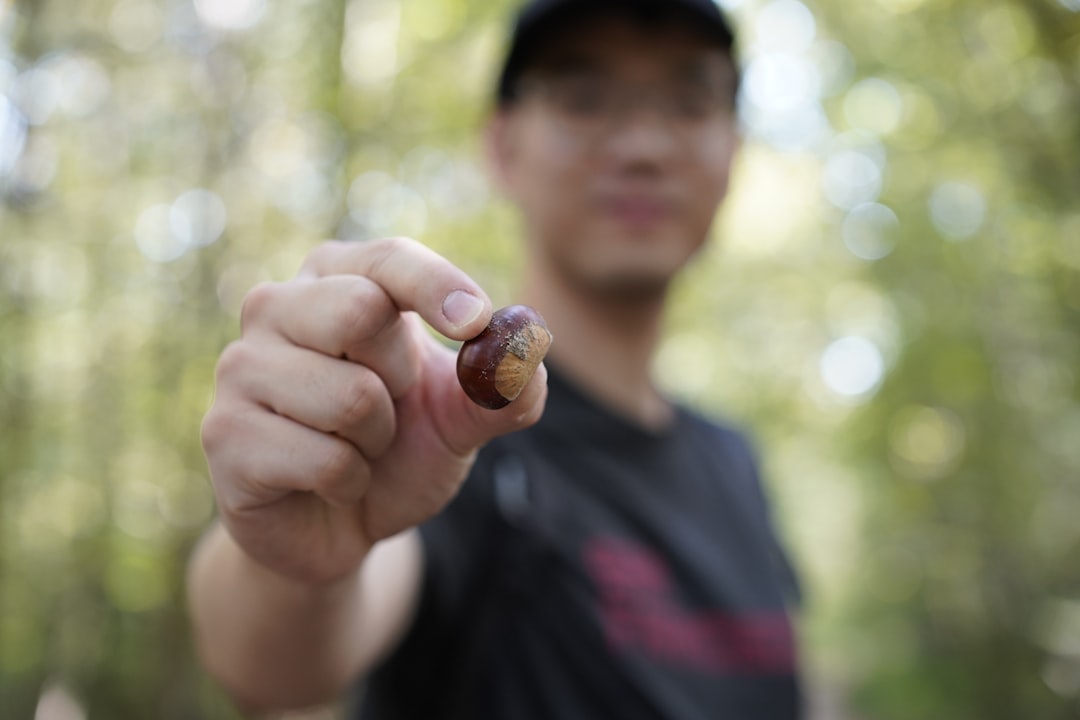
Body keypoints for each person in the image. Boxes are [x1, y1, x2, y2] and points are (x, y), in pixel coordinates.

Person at [187, 0, 803, 717]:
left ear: (733, 149)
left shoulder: (736, 463)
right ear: (504, 147)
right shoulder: (443, 435)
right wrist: (293, 564)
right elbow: (271, 667)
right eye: (584, 98)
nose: (643, 146)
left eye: (690, 103)